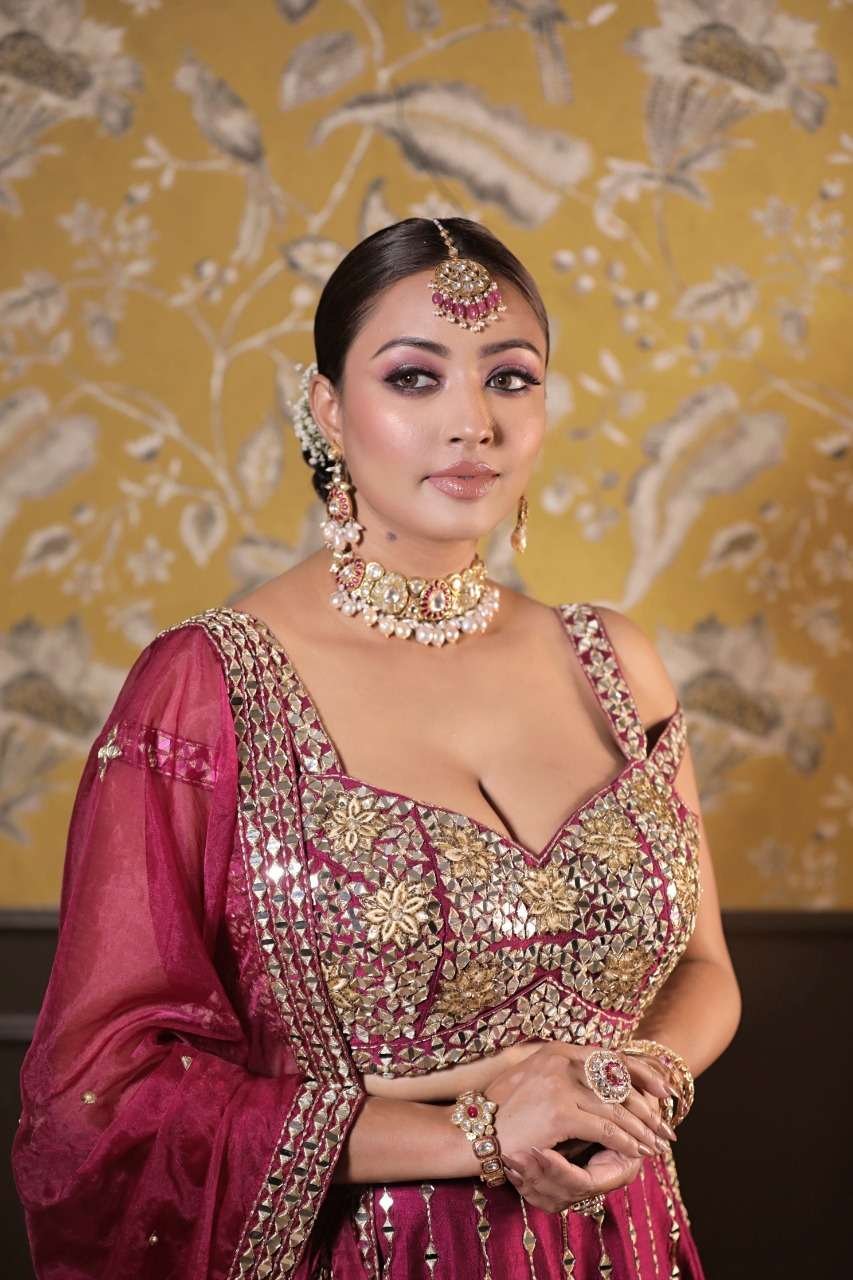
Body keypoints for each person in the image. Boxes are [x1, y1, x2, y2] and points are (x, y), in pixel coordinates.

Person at [12, 217, 741, 1279]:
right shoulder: (210, 687)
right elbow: (108, 1089)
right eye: (413, 378)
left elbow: (704, 967)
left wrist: (630, 1084)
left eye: (509, 377)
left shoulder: (613, 666)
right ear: (327, 409)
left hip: (618, 1237)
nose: (472, 422)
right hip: (369, 1250)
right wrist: (484, 1134)